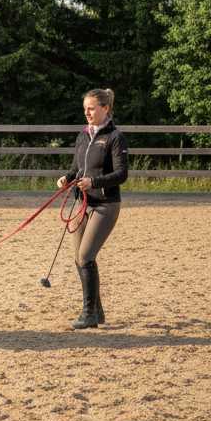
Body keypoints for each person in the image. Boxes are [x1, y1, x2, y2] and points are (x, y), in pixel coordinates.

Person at [56, 89, 128, 329]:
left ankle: (88, 314)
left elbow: (121, 174)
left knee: (86, 256)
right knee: (79, 258)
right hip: (82, 202)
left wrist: (94, 182)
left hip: (105, 205)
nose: (87, 112)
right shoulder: (83, 135)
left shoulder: (115, 137)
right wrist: (67, 178)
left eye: (91, 108)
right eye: (85, 108)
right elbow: (77, 167)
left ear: (105, 108)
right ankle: (97, 311)